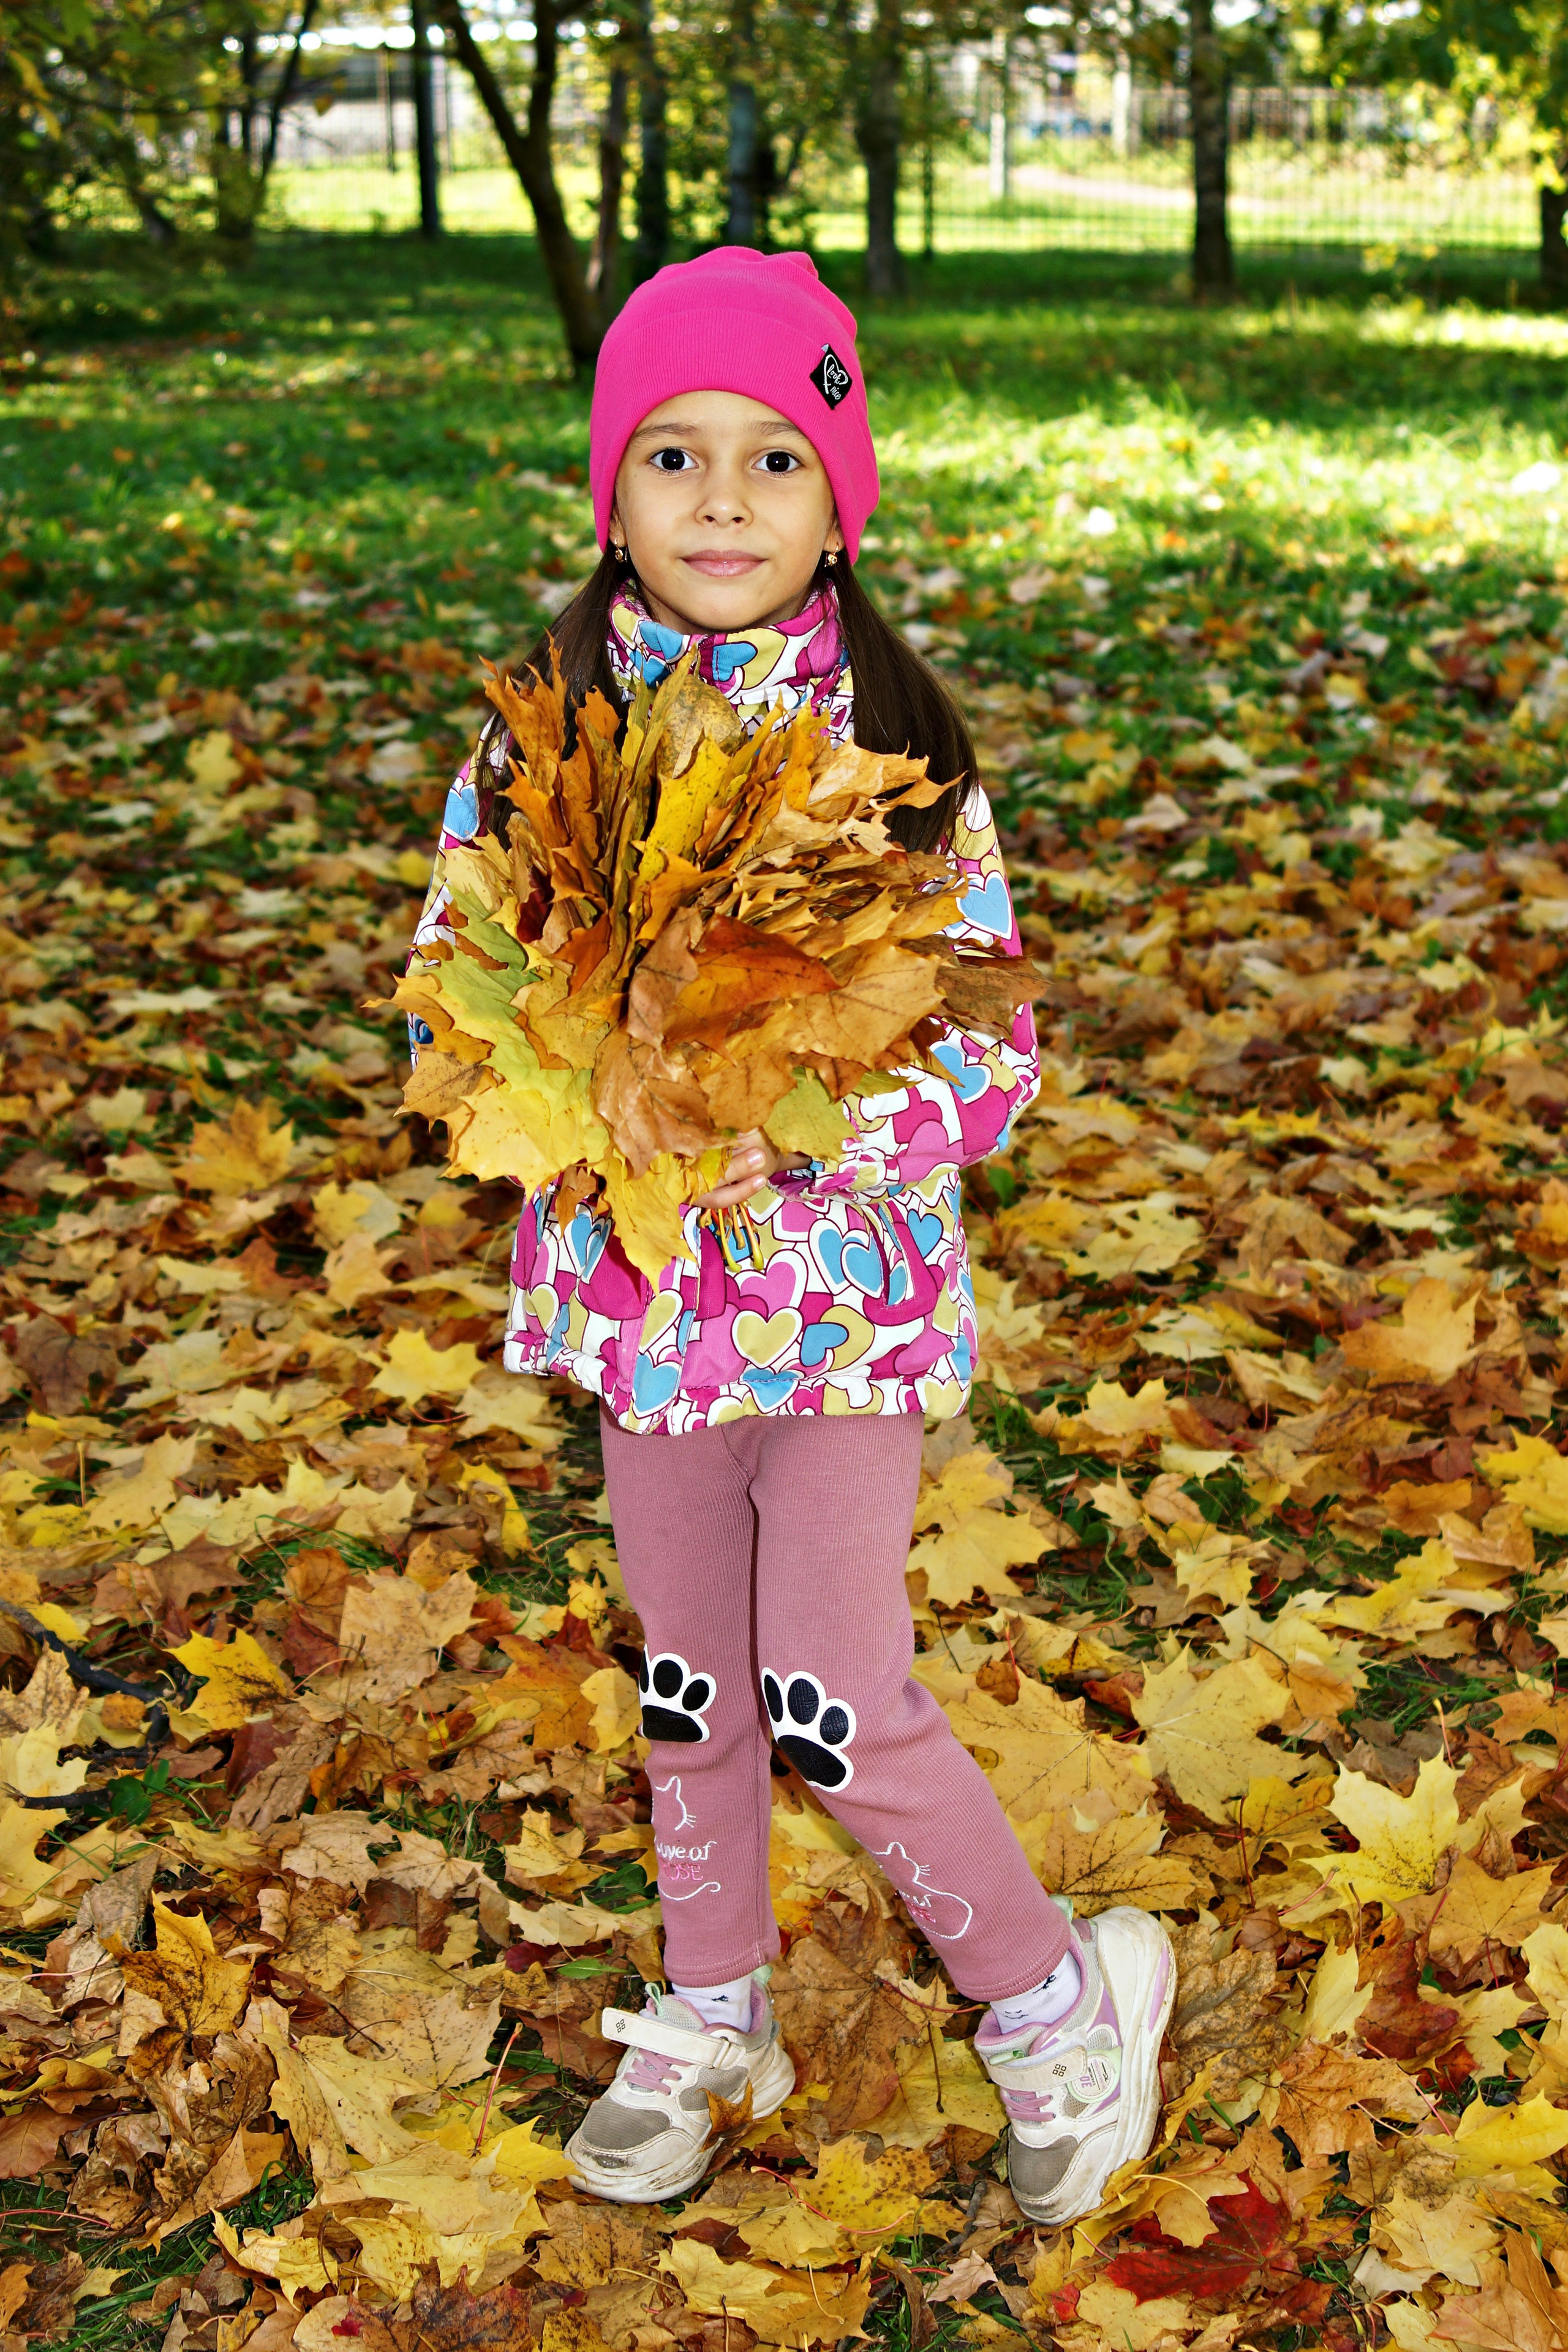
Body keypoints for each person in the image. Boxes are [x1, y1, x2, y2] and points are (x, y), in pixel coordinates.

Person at [411, 247, 1173, 2223]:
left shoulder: (898, 762)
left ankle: (1055, 2004)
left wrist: (796, 1137)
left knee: (827, 1684)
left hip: (843, 1313)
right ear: (613, 491)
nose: (725, 500)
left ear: (840, 495)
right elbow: (460, 991)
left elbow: (991, 1061)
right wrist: (604, 1102)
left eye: (774, 454)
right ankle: (710, 2001)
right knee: (691, 1679)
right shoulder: (538, 746)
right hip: (642, 1315)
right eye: (675, 454)